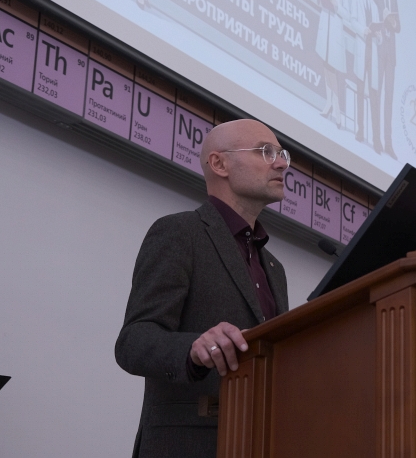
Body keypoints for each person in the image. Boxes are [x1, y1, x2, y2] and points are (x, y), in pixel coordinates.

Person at [115, 119, 290, 458]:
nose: (281, 163)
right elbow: (133, 342)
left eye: (282, 154)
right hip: (188, 445)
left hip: (260, 442)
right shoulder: (180, 233)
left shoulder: (274, 268)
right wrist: (194, 348)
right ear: (219, 164)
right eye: (265, 152)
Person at [368, 0, 401, 158]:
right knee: (376, 92)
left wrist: (393, 22)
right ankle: (376, 140)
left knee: (388, 97)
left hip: (390, 50)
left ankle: (388, 143)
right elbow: (369, 7)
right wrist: (382, 15)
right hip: (377, 44)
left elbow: (399, 26)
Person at [315, 0, 349, 128]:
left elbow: (346, 13)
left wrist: (337, 5)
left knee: (331, 69)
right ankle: (329, 103)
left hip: (335, 29)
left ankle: (336, 109)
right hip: (325, 26)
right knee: (325, 64)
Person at [350, 0, 380, 150]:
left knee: (374, 95)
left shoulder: (374, 5)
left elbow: (379, 34)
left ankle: (376, 139)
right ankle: (360, 130)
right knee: (360, 92)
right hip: (362, 48)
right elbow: (353, 21)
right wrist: (364, 30)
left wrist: (378, 34)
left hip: (372, 51)